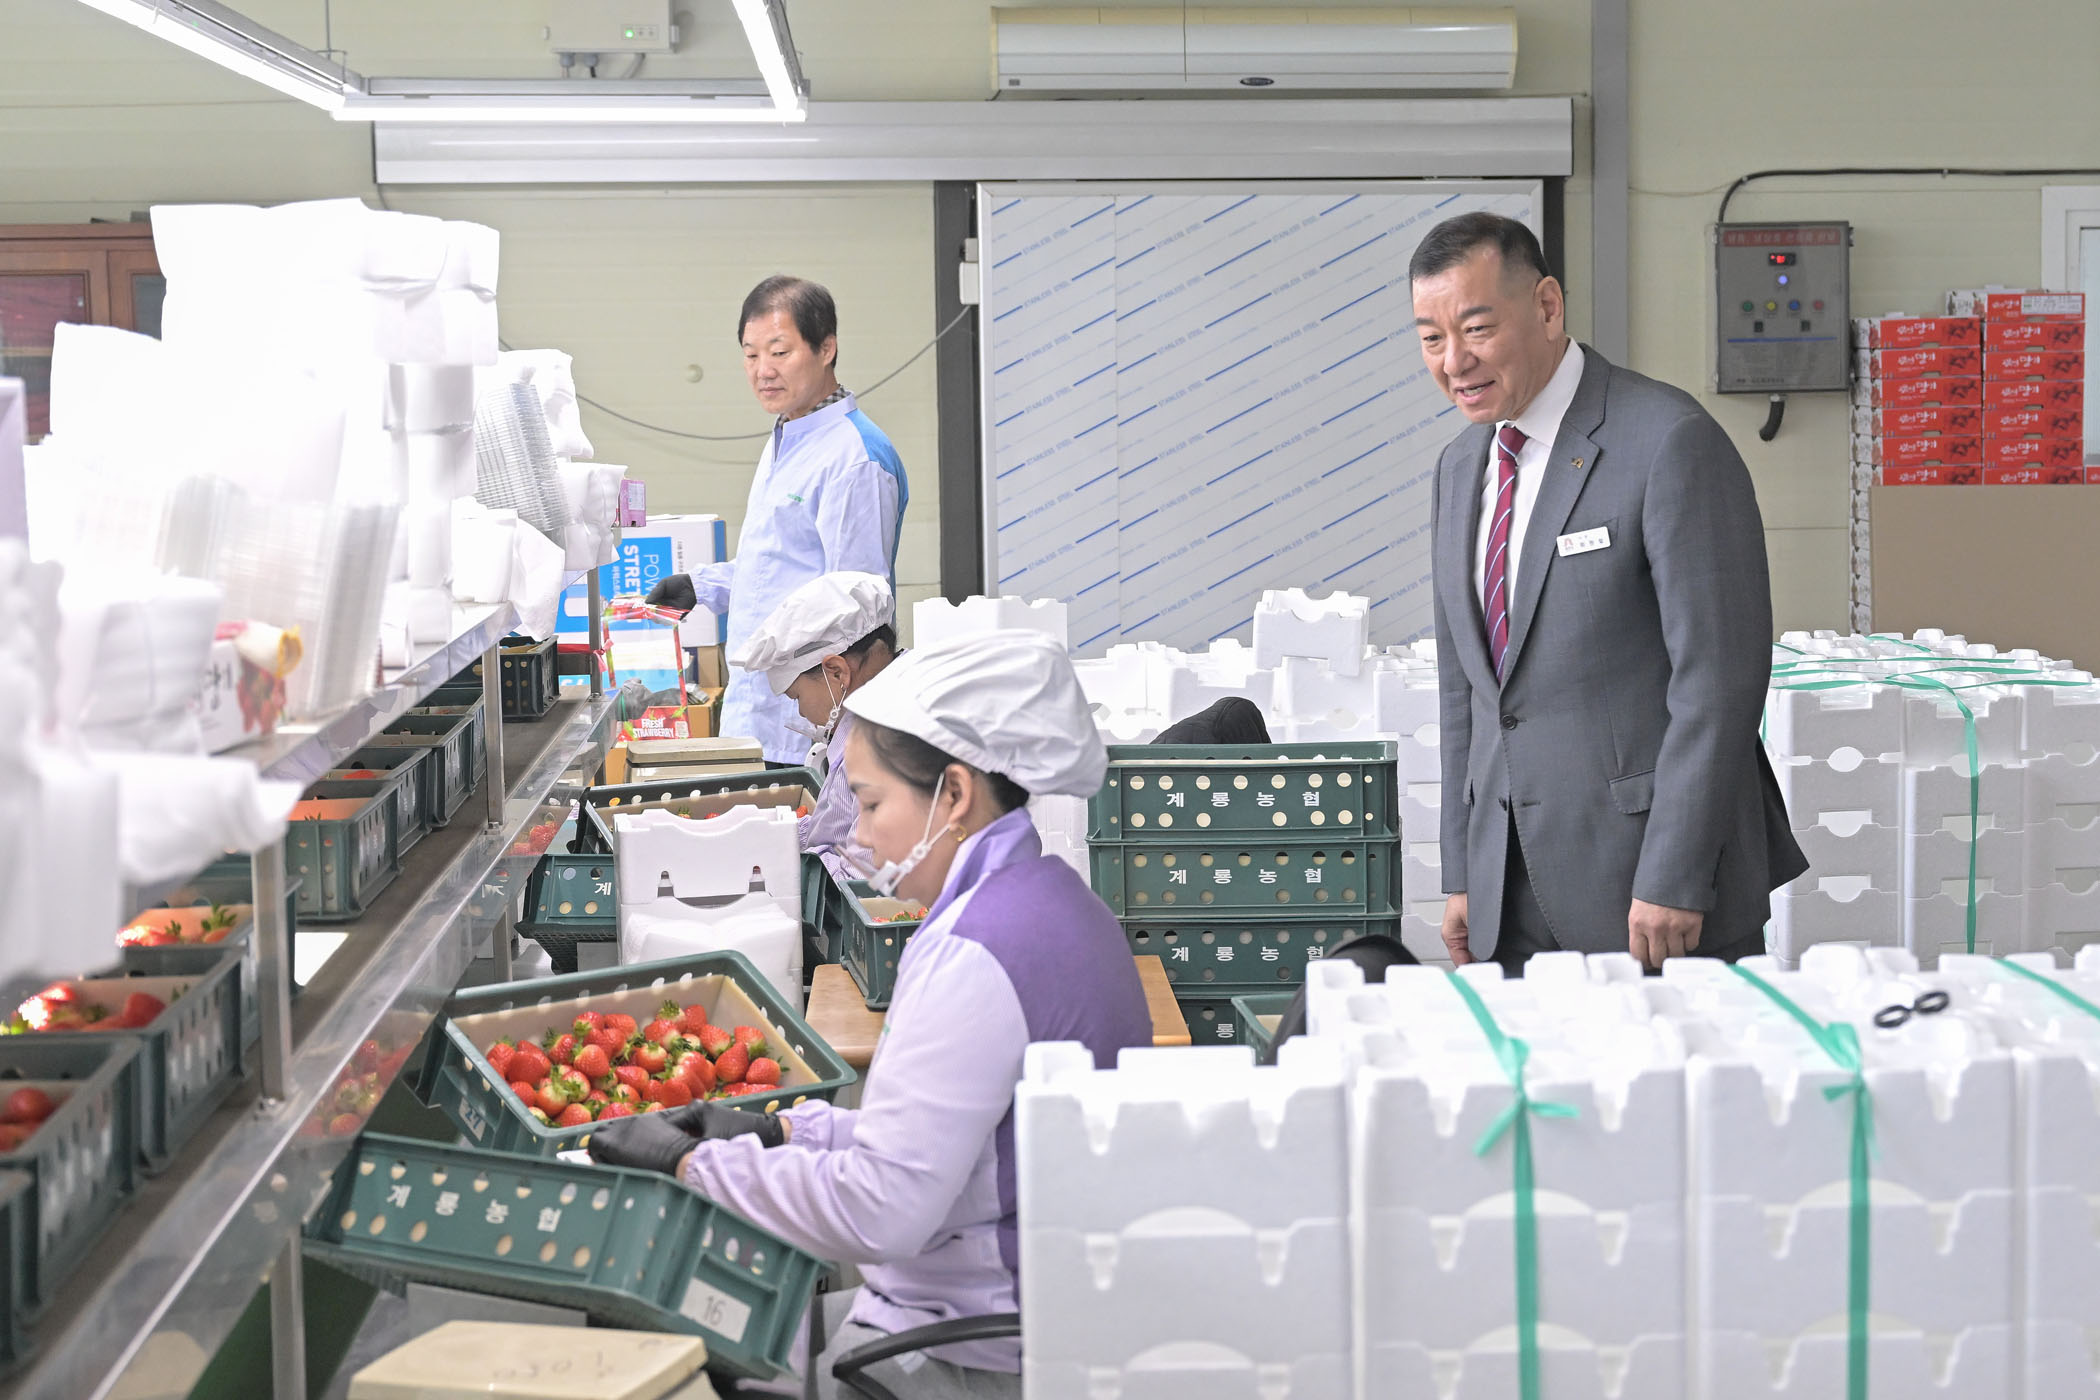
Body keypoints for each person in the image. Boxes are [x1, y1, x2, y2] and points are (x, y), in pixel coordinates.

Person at [587, 630, 1151, 1398]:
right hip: (1029, 1306)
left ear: (954, 796)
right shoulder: (1054, 903)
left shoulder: (979, 951)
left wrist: (693, 1167)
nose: (856, 832)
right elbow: (954, 1141)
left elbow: (882, 1209)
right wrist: (788, 1132)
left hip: (981, 1347)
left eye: (872, 802)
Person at [1413, 211, 1806, 974]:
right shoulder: (1460, 468)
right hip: (1508, 894)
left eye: (1477, 329)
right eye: (1432, 339)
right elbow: (1465, 691)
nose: (1454, 361)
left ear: (1547, 306)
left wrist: (1674, 873)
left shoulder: (1666, 440)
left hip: (1650, 894)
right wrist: (1463, 871)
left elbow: (1719, 681)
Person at [646, 275, 908, 764]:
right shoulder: (790, 434)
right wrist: (703, 586)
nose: (763, 370)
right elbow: (782, 566)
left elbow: (856, 610)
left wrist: (832, 737)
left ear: (826, 348)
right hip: (757, 718)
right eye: (750, 355)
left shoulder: (854, 459)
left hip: (807, 730)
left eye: (780, 352)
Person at [729, 569, 898, 879]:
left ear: (836, 672)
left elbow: (859, 879)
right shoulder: (873, 714)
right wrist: (772, 837)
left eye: (797, 697)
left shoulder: (885, 744)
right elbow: (837, 826)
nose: (802, 711)